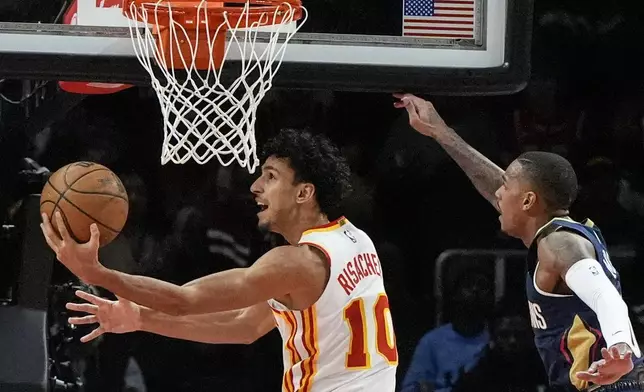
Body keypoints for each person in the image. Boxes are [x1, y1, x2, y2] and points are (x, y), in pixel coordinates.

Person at [40, 129, 398, 392]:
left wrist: (96, 272)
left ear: (304, 193)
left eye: (270, 177)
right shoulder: (355, 239)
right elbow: (245, 326)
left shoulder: (297, 262)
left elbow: (184, 301)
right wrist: (139, 318)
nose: (255, 186)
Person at [394, 93, 643, 392]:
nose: (498, 193)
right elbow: (493, 182)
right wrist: (441, 132)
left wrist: (621, 348)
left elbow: (606, 296)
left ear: (527, 201)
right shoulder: (553, 228)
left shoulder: (559, 244)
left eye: (508, 186)